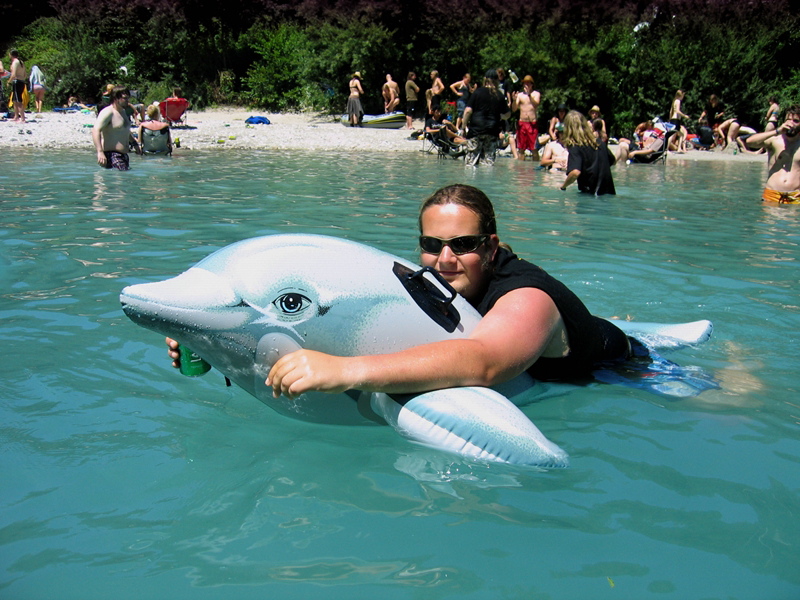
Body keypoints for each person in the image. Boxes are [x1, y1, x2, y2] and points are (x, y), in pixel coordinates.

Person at [168, 185, 633, 394]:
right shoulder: (429, 278)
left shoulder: (527, 298)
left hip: (622, 368)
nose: (444, 259)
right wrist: (219, 345)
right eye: (431, 245)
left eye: (463, 245)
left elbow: (485, 362)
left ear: (491, 246)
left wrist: (346, 371)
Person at [745, 104, 800, 204]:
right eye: (788, 119)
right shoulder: (774, 140)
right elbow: (749, 142)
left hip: (795, 197)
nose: (791, 123)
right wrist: (777, 131)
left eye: (796, 121)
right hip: (772, 195)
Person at [560, 110, 616, 195]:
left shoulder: (575, 146)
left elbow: (575, 172)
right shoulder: (599, 143)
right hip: (609, 194)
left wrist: (563, 187)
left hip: (590, 196)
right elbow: (613, 161)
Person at [462, 69, 511, 167]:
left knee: (470, 165)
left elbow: (468, 111)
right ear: (497, 81)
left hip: (476, 131)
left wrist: (463, 127)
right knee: (487, 166)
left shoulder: (477, 92)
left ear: (485, 79)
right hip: (492, 132)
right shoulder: (500, 95)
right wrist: (500, 116)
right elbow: (508, 114)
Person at [92, 85, 141, 170]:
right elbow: (95, 130)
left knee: (125, 179)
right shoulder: (108, 112)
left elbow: (124, 131)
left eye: (127, 98)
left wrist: (135, 144)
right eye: (124, 98)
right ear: (115, 98)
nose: (127, 101)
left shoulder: (123, 111)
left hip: (124, 155)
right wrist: (100, 152)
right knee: (121, 179)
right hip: (112, 155)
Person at [511, 75, 541, 160]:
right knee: (521, 149)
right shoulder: (520, 95)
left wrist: (529, 95)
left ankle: (535, 169)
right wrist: (514, 100)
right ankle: (521, 170)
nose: (526, 85)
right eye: (525, 83)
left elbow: (536, 104)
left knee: (534, 149)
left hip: (532, 123)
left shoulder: (536, 94)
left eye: (528, 83)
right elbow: (514, 109)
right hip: (522, 123)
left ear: (532, 84)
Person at [8, 50, 27, 123]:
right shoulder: (21, 62)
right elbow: (25, 74)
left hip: (16, 81)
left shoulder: (15, 62)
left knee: (18, 100)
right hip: (21, 81)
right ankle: (16, 116)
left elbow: (13, 74)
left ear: (11, 55)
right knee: (15, 100)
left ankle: (22, 118)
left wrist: (8, 81)